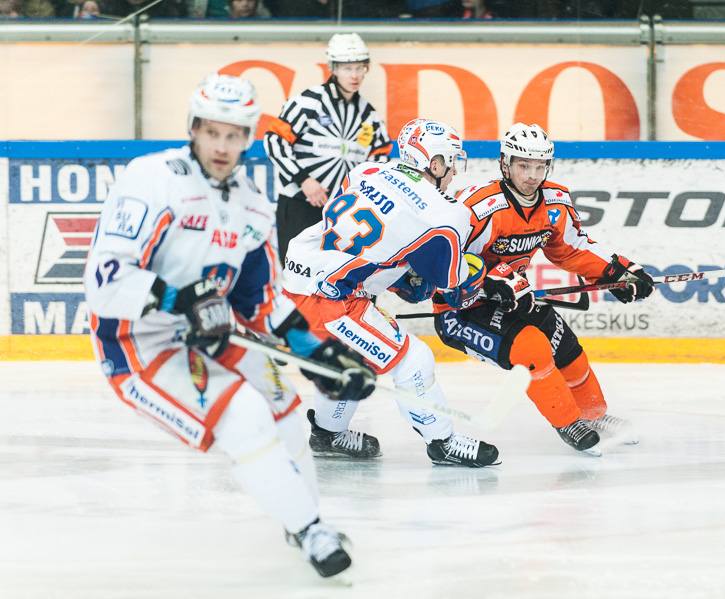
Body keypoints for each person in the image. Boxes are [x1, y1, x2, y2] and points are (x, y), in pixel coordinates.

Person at [84, 73, 377, 579]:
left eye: (234, 134)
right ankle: (311, 531)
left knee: (286, 415)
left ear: (247, 138)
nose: (222, 146)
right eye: (212, 132)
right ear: (193, 129)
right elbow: (104, 280)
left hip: (215, 331)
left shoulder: (252, 205)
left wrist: (320, 356)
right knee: (243, 415)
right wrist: (180, 300)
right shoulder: (153, 178)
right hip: (140, 341)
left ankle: (302, 522)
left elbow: (262, 302)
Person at [279, 118, 518, 468]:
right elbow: (450, 281)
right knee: (413, 359)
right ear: (434, 163)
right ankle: (443, 442)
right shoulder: (446, 213)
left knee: (351, 359)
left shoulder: (367, 170)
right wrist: (484, 280)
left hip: (300, 275)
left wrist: (399, 277)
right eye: (449, 163)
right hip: (327, 297)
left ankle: (328, 434)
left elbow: (372, 241)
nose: (453, 172)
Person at [433, 123, 654, 456]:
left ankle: (594, 415)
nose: (532, 175)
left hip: (513, 298)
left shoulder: (555, 201)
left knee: (565, 347)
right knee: (533, 347)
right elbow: (443, 256)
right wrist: (491, 279)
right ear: (505, 164)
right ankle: (568, 422)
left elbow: (570, 250)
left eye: (540, 166)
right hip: (461, 309)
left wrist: (614, 272)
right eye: (523, 165)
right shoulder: (477, 206)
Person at [265, 33, 392, 267]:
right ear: (333, 67)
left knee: (342, 283)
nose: (354, 75)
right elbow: (274, 140)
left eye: (360, 68)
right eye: (347, 68)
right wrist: (304, 180)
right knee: (296, 281)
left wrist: (362, 195)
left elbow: (381, 158)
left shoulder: (370, 115)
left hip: (342, 214)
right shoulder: (308, 102)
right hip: (299, 204)